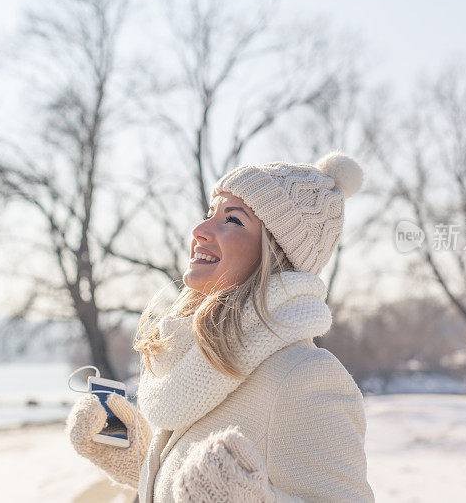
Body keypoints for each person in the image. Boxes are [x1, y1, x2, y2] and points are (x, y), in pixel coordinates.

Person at [66, 151, 375, 502]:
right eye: (209, 214)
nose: (199, 230)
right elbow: (200, 487)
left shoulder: (305, 375)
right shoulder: (197, 364)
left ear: (275, 253)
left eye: (233, 220)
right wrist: (138, 461)